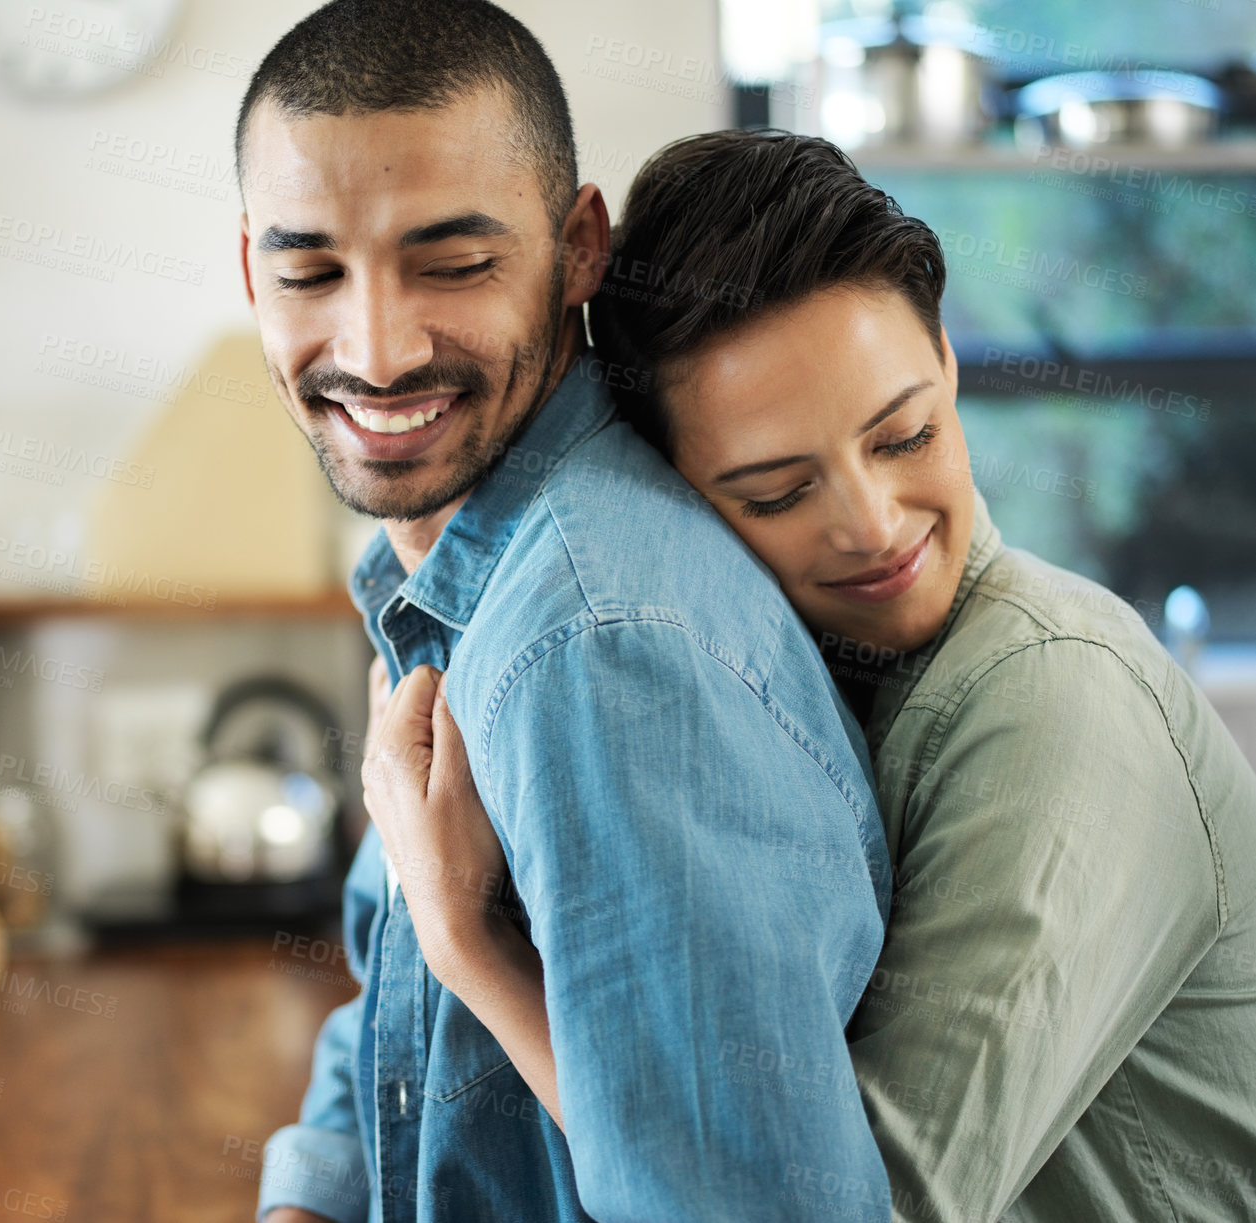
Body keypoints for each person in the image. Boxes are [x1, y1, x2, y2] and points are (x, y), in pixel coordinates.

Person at [363, 129, 1256, 1223]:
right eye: (778, 493)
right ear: (677, 499)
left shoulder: (1053, 696)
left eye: (906, 434)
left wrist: (475, 948)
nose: (874, 526)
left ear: (947, 358)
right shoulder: (761, 679)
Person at [238, 6, 897, 1222]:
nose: (377, 352)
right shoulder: (453, 576)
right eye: (311, 271)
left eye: (454, 263)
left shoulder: (597, 649)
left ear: (579, 247)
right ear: (250, 275)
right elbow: (395, 997)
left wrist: (465, 946)